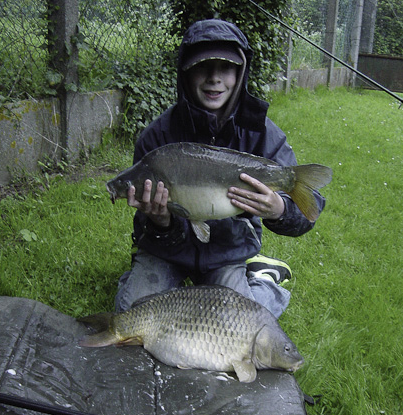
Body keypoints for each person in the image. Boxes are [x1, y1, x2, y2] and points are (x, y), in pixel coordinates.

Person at [115, 19, 326, 319]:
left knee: (245, 326)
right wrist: (161, 222)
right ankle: (139, 279)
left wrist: (279, 208)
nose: (214, 79)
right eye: (203, 67)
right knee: (131, 315)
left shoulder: (260, 132)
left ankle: (263, 277)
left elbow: (310, 209)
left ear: (240, 73)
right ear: (186, 73)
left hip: (227, 252)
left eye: (225, 68)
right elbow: (147, 225)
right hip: (166, 252)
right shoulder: (158, 137)